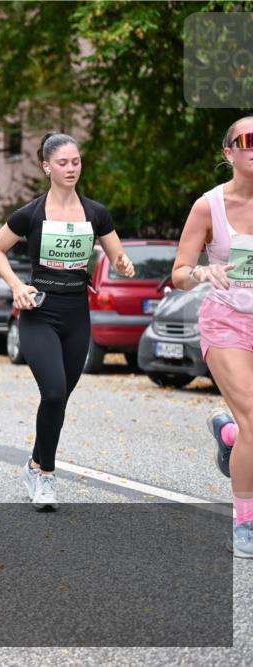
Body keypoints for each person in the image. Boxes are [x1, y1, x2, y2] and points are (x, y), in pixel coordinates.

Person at [0, 132, 134, 511]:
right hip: (39, 312)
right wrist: (17, 285)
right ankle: (47, 476)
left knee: (60, 398)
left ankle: (34, 464)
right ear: (47, 166)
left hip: (76, 314)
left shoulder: (95, 213)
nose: (71, 169)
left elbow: (116, 255)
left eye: (76, 162)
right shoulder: (31, 213)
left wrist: (123, 264)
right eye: (63, 163)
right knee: (52, 392)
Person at [171, 116, 253, 557]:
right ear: (229, 153)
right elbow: (179, 274)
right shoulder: (209, 207)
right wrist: (204, 270)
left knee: (246, 426)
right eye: (248, 140)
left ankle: (229, 435)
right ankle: (246, 523)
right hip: (227, 321)